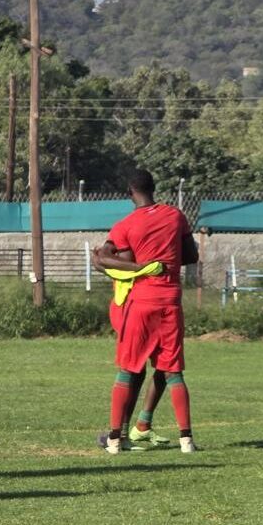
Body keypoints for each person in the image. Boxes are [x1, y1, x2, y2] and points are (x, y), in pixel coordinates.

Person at [91, 170, 199, 455]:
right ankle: (186, 440)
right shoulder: (176, 216)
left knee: (128, 369)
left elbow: (103, 258)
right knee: (172, 369)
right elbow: (192, 256)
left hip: (139, 302)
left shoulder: (125, 225)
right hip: (170, 300)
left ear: (129, 191)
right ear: (154, 187)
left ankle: (115, 438)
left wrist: (133, 266)